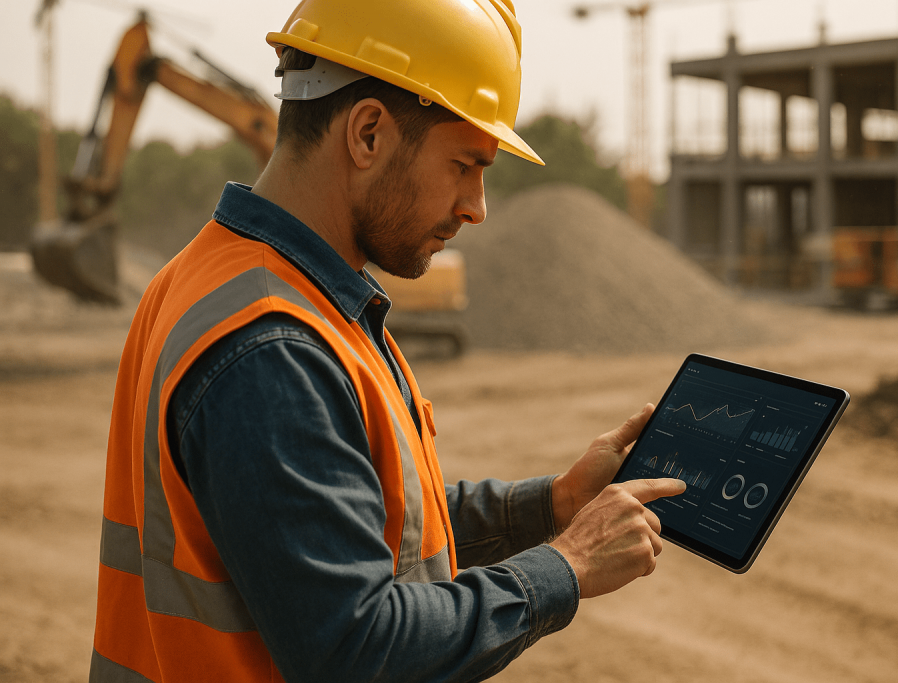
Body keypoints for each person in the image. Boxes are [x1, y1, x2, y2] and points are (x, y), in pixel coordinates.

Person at [89, 1, 686, 681]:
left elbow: (359, 528)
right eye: (465, 164)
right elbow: (358, 648)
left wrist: (554, 504)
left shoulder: (224, 280)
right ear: (368, 133)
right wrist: (569, 565)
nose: (477, 206)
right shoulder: (273, 346)